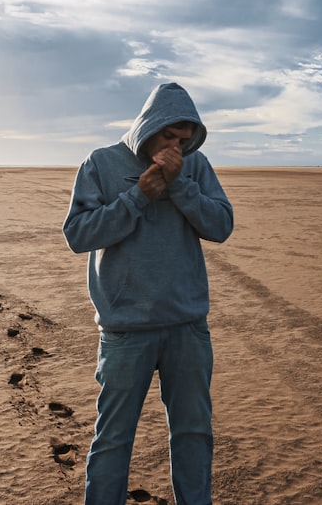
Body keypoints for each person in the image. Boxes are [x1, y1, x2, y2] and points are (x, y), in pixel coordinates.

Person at [62, 82, 234, 505]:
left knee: (194, 433)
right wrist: (138, 195)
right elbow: (79, 235)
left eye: (184, 139)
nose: (177, 147)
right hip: (125, 329)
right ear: (148, 128)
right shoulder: (101, 163)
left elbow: (221, 226)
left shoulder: (195, 167)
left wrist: (179, 186)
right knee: (114, 437)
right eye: (168, 137)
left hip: (187, 326)